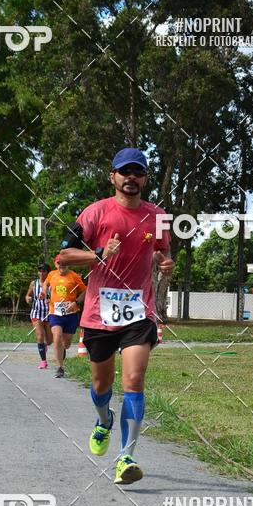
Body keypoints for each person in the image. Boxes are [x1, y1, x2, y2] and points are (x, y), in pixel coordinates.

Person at [57, 147, 174, 485]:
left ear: (145, 178)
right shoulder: (95, 214)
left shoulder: (158, 216)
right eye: (125, 172)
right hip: (98, 314)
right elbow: (63, 256)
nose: (131, 178)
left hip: (139, 312)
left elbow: (163, 251)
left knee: (134, 381)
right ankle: (103, 419)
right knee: (100, 385)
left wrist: (166, 263)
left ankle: (126, 457)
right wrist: (97, 254)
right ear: (113, 177)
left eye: (138, 172)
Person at [41, 256, 86, 378]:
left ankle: (63, 349)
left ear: (69, 264)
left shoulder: (74, 276)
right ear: (56, 264)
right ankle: (60, 367)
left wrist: (76, 302)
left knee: (66, 343)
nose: (62, 266)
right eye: (59, 263)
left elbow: (84, 291)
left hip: (71, 314)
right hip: (55, 312)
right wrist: (44, 294)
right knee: (57, 336)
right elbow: (45, 284)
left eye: (65, 263)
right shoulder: (52, 274)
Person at [25, 263, 53, 368]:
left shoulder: (52, 283)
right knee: (40, 336)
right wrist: (28, 298)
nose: (41, 273)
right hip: (36, 312)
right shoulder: (34, 283)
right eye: (39, 270)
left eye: (44, 271)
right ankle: (43, 361)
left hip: (49, 313)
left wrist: (50, 300)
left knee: (49, 341)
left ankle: (45, 345)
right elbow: (28, 295)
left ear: (48, 272)